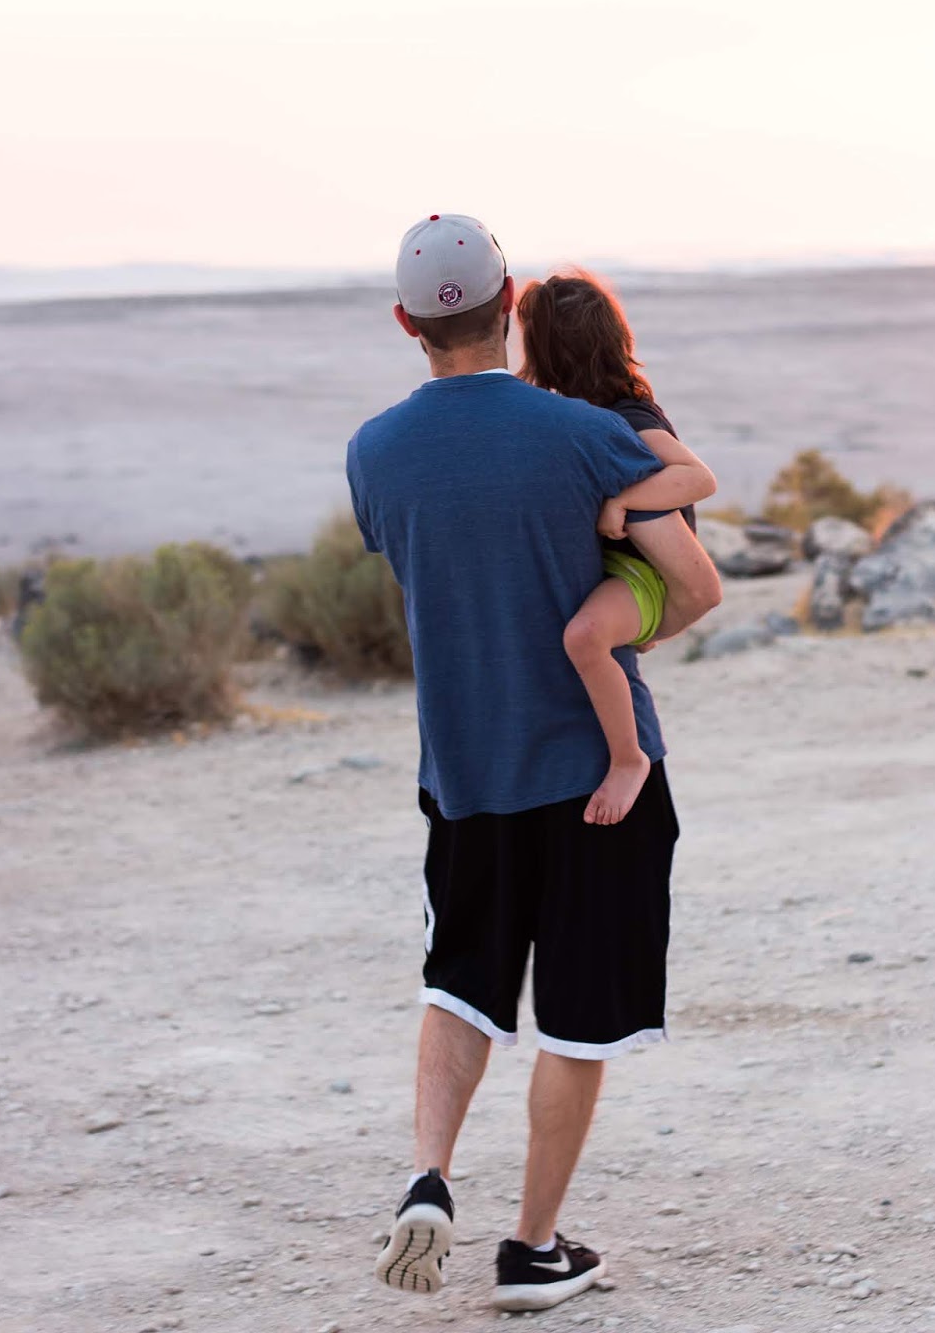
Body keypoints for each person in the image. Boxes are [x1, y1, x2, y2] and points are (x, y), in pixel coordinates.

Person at [346, 214, 722, 1313]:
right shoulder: (577, 433)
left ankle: (428, 1177)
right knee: (577, 1018)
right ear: (506, 303)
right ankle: (532, 1248)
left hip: (464, 769)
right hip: (593, 774)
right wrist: (628, 627)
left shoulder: (373, 451)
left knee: (459, 983)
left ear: (408, 321)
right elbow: (694, 581)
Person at [517, 269, 717, 825]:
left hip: (642, 577)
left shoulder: (629, 417)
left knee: (584, 638)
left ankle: (628, 760)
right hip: (619, 572)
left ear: (552, 350)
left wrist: (623, 501)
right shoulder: (576, 411)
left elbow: (698, 478)